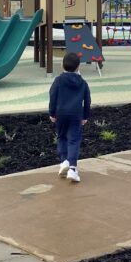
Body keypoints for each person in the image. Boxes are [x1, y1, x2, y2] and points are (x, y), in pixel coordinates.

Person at [49, 51, 91, 183]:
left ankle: (64, 162)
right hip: (76, 114)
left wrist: (52, 113)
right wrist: (85, 116)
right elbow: (87, 100)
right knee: (74, 140)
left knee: (61, 137)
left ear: (62, 65)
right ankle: (72, 168)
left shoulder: (58, 80)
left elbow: (53, 96)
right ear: (78, 67)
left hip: (60, 114)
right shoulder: (83, 83)